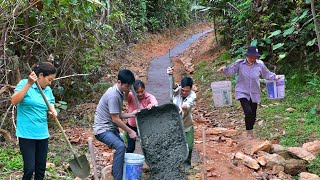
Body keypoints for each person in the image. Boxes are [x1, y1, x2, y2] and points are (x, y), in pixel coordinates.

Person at [218, 46, 279, 139]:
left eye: (254, 57)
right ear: (247, 55)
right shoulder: (240, 63)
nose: (252, 59)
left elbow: (267, 74)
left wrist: (276, 77)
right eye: (251, 57)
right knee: (248, 111)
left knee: (253, 114)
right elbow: (231, 71)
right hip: (242, 91)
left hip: (254, 92)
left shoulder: (260, 64)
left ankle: (250, 130)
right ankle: (249, 131)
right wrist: (224, 70)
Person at [11, 62, 57, 180]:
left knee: (40, 169)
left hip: (42, 134)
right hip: (26, 134)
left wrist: (52, 110)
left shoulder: (47, 90)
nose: (50, 83)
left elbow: (50, 102)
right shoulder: (24, 84)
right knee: (29, 169)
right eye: (49, 79)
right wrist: (29, 84)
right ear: (41, 75)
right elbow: (14, 101)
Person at [93, 69, 138, 180]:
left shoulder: (119, 92)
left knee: (123, 146)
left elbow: (118, 114)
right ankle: (117, 177)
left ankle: (116, 172)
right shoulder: (113, 95)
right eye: (127, 86)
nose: (128, 89)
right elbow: (116, 119)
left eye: (130, 86)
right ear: (119, 82)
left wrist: (132, 114)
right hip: (102, 129)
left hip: (110, 127)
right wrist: (130, 131)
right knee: (120, 146)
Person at [167, 67, 196, 169]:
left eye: (186, 91)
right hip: (175, 124)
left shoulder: (193, 95)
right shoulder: (177, 91)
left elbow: (187, 105)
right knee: (174, 145)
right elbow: (173, 86)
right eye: (183, 90)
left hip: (187, 124)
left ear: (191, 89)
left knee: (189, 146)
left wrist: (181, 108)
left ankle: (187, 163)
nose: (184, 93)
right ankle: (174, 163)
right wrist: (171, 76)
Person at [125, 80, 158, 153]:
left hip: (144, 126)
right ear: (133, 91)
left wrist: (151, 105)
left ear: (144, 89)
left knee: (147, 146)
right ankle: (126, 161)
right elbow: (126, 97)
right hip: (132, 126)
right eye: (137, 92)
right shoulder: (131, 96)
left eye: (141, 91)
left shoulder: (148, 96)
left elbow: (155, 103)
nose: (140, 94)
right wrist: (127, 90)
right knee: (130, 147)